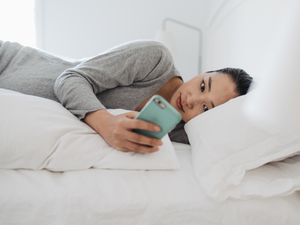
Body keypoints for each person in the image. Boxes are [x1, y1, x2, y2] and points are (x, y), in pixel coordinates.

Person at [0, 40, 253, 153]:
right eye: (202, 86)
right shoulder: (156, 60)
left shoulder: (182, 131)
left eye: (206, 108)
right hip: (8, 61)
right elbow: (70, 79)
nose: (191, 101)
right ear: (202, 72)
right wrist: (105, 123)